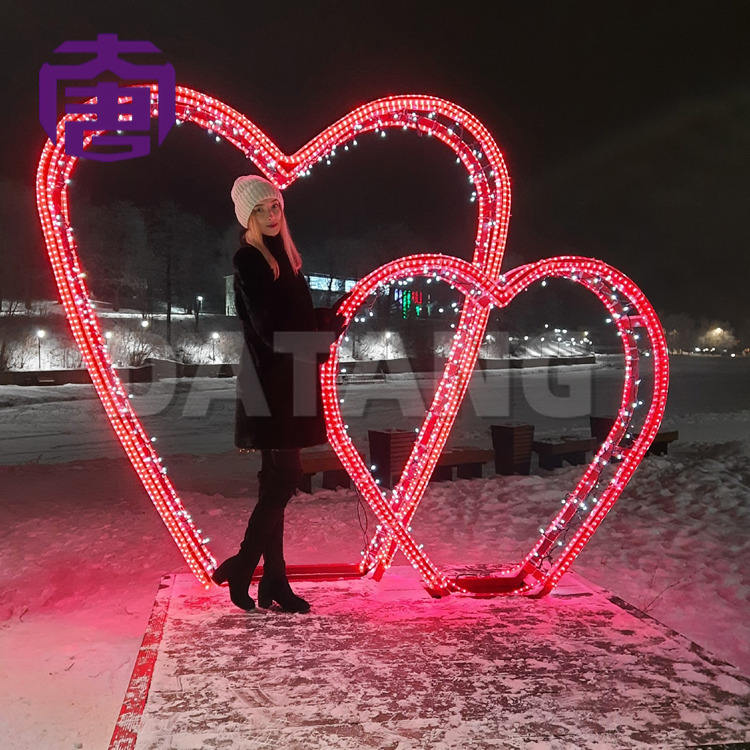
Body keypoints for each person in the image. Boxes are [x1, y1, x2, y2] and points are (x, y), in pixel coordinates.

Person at [212, 175, 348, 613]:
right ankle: (245, 564)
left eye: (275, 207)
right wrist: (322, 334)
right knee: (286, 478)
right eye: (260, 210)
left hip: (290, 382)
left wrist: (325, 319)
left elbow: (294, 320)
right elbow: (271, 332)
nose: (271, 215)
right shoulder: (251, 259)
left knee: (275, 482)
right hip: (272, 386)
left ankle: (274, 579)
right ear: (247, 218)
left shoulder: (286, 258)